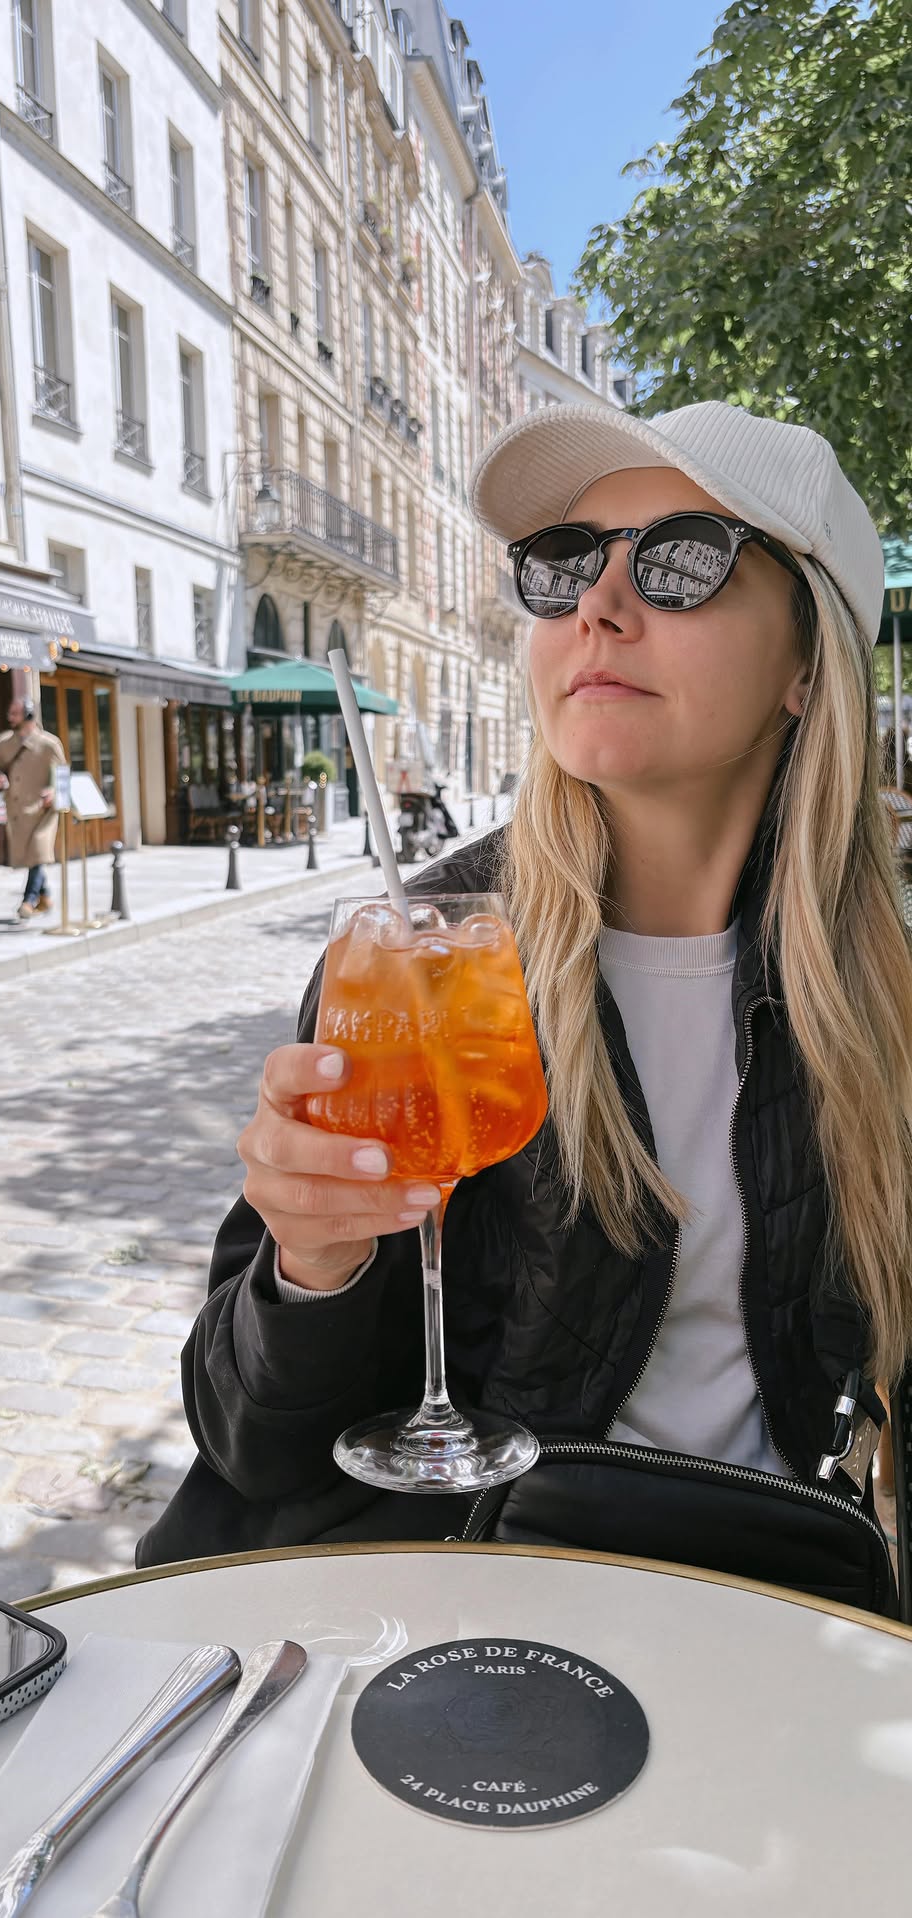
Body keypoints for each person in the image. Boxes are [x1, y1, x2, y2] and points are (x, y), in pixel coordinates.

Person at [138, 400, 912, 1614]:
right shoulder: (423, 961)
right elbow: (255, 1445)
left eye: (683, 559)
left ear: (808, 666)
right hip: (471, 1601)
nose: (599, 604)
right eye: (563, 563)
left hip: (768, 1606)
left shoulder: (883, 998)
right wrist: (311, 1269)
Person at [0, 698, 66, 919]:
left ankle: (28, 900)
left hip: (43, 811)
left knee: (38, 852)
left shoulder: (50, 744)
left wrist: (53, 791)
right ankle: (45, 897)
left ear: (29, 715)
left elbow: (62, 775)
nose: (10, 717)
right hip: (17, 810)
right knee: (32, 856)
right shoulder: (4, 743)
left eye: (15, 713)